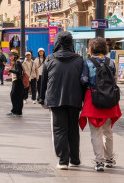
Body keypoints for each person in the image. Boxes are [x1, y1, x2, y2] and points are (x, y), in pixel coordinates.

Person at [38, 31, 85, 170]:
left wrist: (41, 98)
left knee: (59, 129)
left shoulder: (50, 59)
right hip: (74, 99)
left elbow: (43, 81)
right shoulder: (79, 60)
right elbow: (83, 82)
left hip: (55, 98)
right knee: (73, 128)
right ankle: (74, 159)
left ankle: (63, 160)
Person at [78, 37, 121, 172]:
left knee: (96, 132)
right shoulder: (111, 62)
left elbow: (84, 80)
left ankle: (99, 162)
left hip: (93, 98)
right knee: (108, 131)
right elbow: (114, 79)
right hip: (109, 99)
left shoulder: (88, 62)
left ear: (91, 48)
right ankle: (109, 158)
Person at [7, 49, 25, 116]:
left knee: (15, 96)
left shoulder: (17, 62)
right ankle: (16, 110)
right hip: (16, 81)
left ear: (15, 56)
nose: (10, 57)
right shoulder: (15, 62)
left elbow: (19, 72)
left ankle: (17, 111)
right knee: (15, 96)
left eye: (11, 55)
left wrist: (11, 70)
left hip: (18, 81)